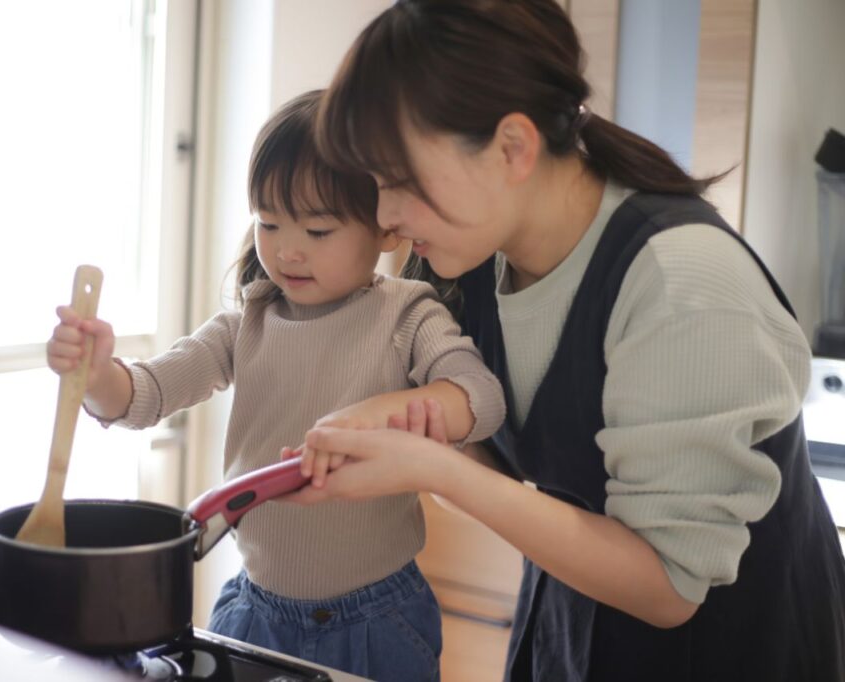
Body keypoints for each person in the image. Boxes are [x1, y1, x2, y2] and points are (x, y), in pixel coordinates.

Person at [284, 1, 845, 681]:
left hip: (734, 650)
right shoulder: (464, 256)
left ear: (514, 148)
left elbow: (670, 586)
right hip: (568, 620)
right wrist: (425, 432)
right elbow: (497, 459)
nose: (386, 217)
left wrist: (434, 468)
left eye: (400, 183)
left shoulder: (679, 283)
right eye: (376, 185)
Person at [45, 89, 506, 681]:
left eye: (318, 229)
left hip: (378, 620)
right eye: (268, 222)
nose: (287, 249)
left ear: (385, 229)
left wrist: (399, 408)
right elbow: (141, 398)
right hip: (254, 612)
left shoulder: (409, 315)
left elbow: (481, 398)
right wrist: (95, 373)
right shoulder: (248, 323)